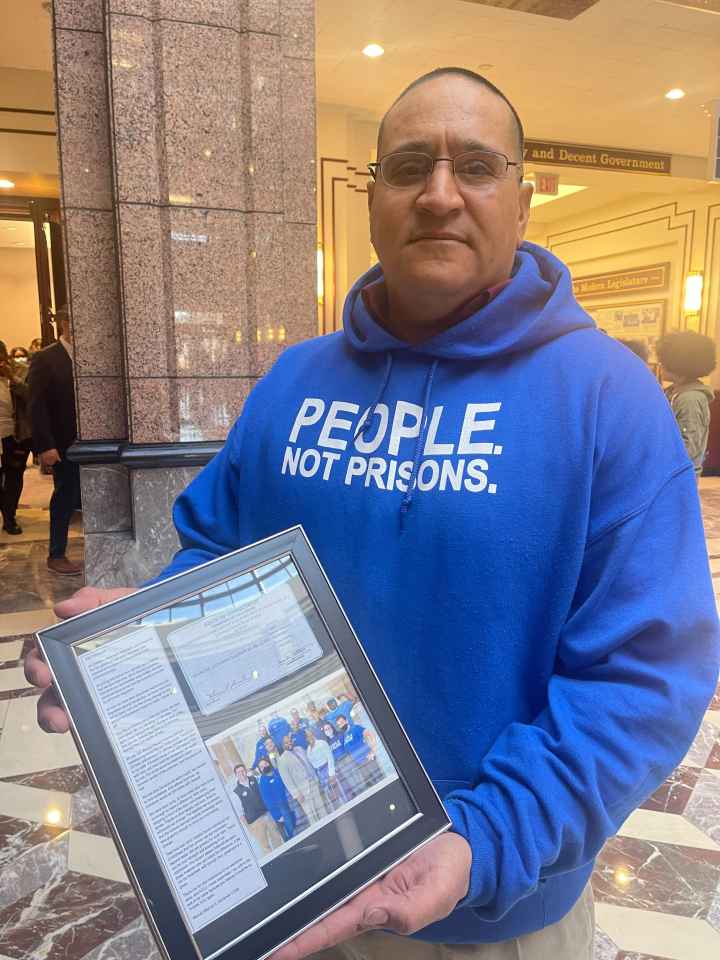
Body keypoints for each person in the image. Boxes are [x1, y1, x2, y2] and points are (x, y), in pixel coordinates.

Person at [27, 67, 719, 960]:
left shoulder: (609, 399)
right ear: (370, 198)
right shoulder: (295, 381)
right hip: (279, 876)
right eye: (407, 167)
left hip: (484, 900)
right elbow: (215, 551)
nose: (439, 194)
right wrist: (133, 658)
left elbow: (647, 676)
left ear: (524, 199)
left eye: (476, 165)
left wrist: (484, 839)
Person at [27, 305, 82, 575]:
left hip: (92, 443)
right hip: (62, 443)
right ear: (63, 323)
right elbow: (36, 406)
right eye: (73, 320)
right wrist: (45, 446)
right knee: (65, 495)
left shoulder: (91, 356)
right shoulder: (45, 358)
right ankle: (56, 553)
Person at [657, 330, 716, 477]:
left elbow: (689, 446)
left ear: (678, 363)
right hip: (670, 470)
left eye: (663, 361)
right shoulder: (674, 392)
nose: (660, 365)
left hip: (679, 474)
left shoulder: (690, 398)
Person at [0, 342, 32, 535]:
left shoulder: (20, 371)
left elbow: (31, 397)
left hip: (16, 435)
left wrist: (12, 378)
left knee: (13, 477)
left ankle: (9, 517)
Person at [232, 762, 283, 855]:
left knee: (277, 838)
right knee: (265, 846)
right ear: (236, 775)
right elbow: (240, 813)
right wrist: (249, 828)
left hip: (266, 814)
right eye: (239, 772)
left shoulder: (256, 779)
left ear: (246, 771)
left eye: (243, 771)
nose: (242, 773)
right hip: (255, 822)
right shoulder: (236, 792)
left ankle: (282, 855)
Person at [277, 734, 325, 824]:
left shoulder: (299, 749)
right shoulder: (282, 760)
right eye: (286, 743)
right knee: (312, 815)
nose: (289, 743)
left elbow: (309, 763)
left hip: (313, 782)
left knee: (322, 808)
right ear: (283, 745)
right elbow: (287, 780)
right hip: (302, 791)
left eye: (290, 741)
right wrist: (296, 794)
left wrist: (316, 779)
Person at [334, 714, 383, 791]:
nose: (341, 725)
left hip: (368, 760)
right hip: (360, 765)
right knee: (372, 787)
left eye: (342, 722)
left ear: (346, 721)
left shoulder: (355, 728)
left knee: (381, 782)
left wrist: (373, 751)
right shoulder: (344, 736)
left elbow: (371, 734)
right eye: (339, 724)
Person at [256, 757, 297, 841]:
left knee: (296, 825)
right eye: (261, 766)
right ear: (260, 770)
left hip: (290, 801)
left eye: (265, 764)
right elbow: (268, 801)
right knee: (291, 832)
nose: (264, 766)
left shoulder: (277, 772)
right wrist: (277, 815)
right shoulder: (263, 782)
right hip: (280, 808)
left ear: (269, 763)